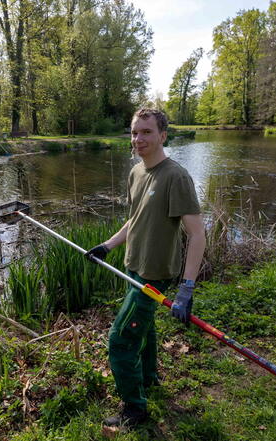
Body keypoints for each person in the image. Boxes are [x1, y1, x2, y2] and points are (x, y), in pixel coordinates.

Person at [85, 108, 205, 428]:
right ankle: (149, 381)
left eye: (146, 132)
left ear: (163, 135)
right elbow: (134, 220)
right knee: (144, 329)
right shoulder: (137, 172)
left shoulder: (175, 177)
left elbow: (197, 235)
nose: (138, 139)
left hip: (155, 274)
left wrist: (187, 287)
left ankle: (134, 408)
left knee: (121, 339)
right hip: (133, 266)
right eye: (135, 132)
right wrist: (108, 246)